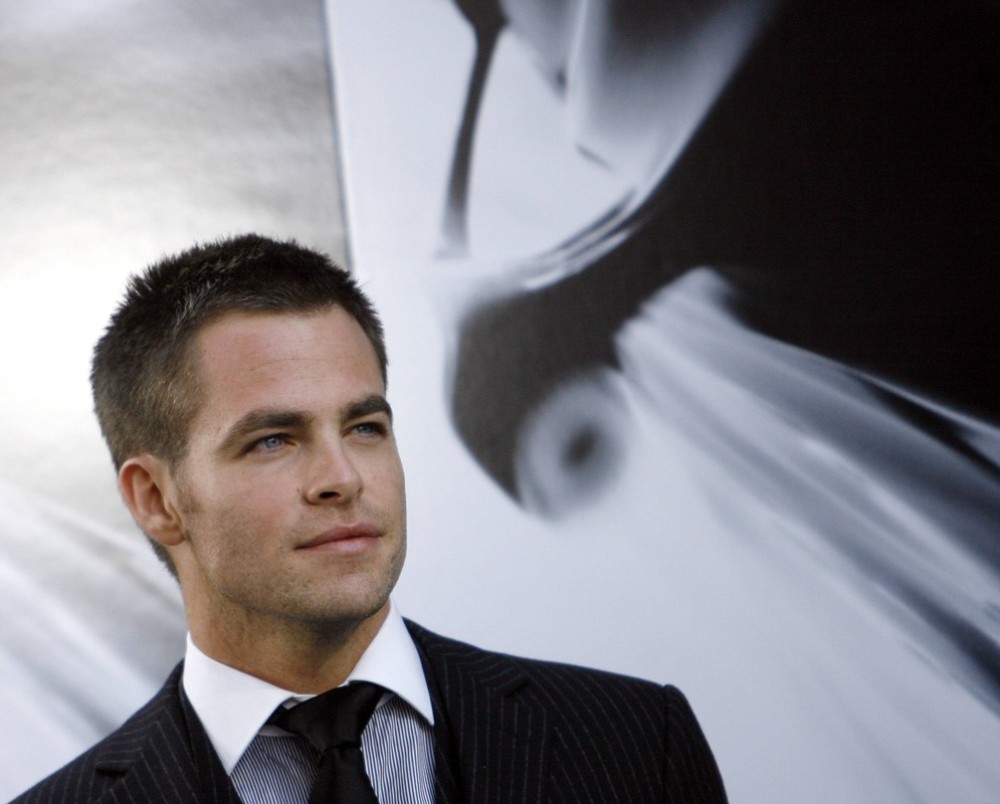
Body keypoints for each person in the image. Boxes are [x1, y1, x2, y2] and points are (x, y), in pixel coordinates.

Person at [13, 234, 727, 803]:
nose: (343, 478)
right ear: (155, 499)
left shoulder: (636, 746)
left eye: (364, 428)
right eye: (273, 440)